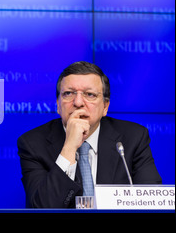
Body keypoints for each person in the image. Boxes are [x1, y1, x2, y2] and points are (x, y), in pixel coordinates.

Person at [17, 61, 161, 208]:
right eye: (68, 93)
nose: (78, 102)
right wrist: (69, 148)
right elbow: (41, 208)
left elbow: (150, 201)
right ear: (58, 105)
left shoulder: (133, 137)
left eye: (90, 94)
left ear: (105, 106)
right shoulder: (32, 143)